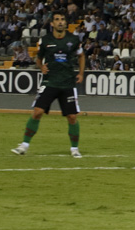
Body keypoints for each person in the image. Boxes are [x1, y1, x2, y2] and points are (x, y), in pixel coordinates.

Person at [10, 11, 85, 158]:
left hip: (67, 82)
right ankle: (24, 145)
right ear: (52, 24)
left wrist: (81, 73)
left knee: (72, 117)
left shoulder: (74, 39)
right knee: (37, 112)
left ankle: (74, 149)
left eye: (62, 19)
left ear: (65, 23)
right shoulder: (45, 40)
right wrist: (41, 66)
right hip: (49, 81)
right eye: (57, 19)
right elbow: (39, 58)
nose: (60, 22)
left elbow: (81, 56)